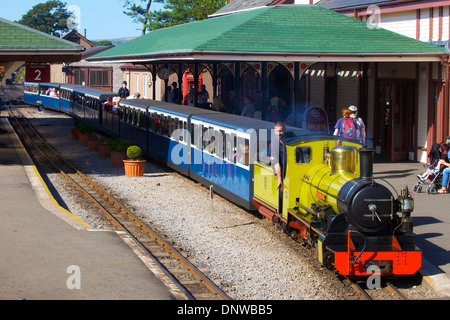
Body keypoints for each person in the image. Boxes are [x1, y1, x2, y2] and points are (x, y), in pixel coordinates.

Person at [270, 121, 287, 191]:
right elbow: (276, 163)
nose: (278, 133)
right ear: (274, 130)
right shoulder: (274, 144)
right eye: (277, 131)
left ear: (284, 130)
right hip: (281, 173)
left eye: (280, 131)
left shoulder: (289, 138)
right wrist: (279, 179)